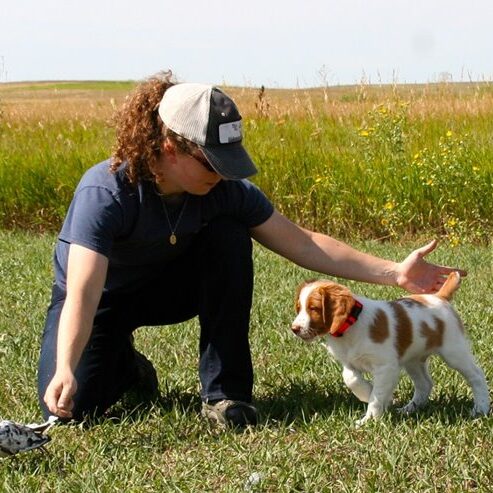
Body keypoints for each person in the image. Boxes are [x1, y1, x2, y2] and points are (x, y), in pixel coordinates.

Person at [38, 71, 465, 428]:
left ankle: (227, 395)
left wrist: (394, 273)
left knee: (228, 235)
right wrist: (66, 369)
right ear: (169, 146)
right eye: (211, 162)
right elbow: (84, 293)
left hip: (171, 290)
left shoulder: (224, 192)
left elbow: (303, 242)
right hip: (103, 302)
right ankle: (129, 368)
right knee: (76, 408)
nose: (222, 175)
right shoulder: (107, 191)